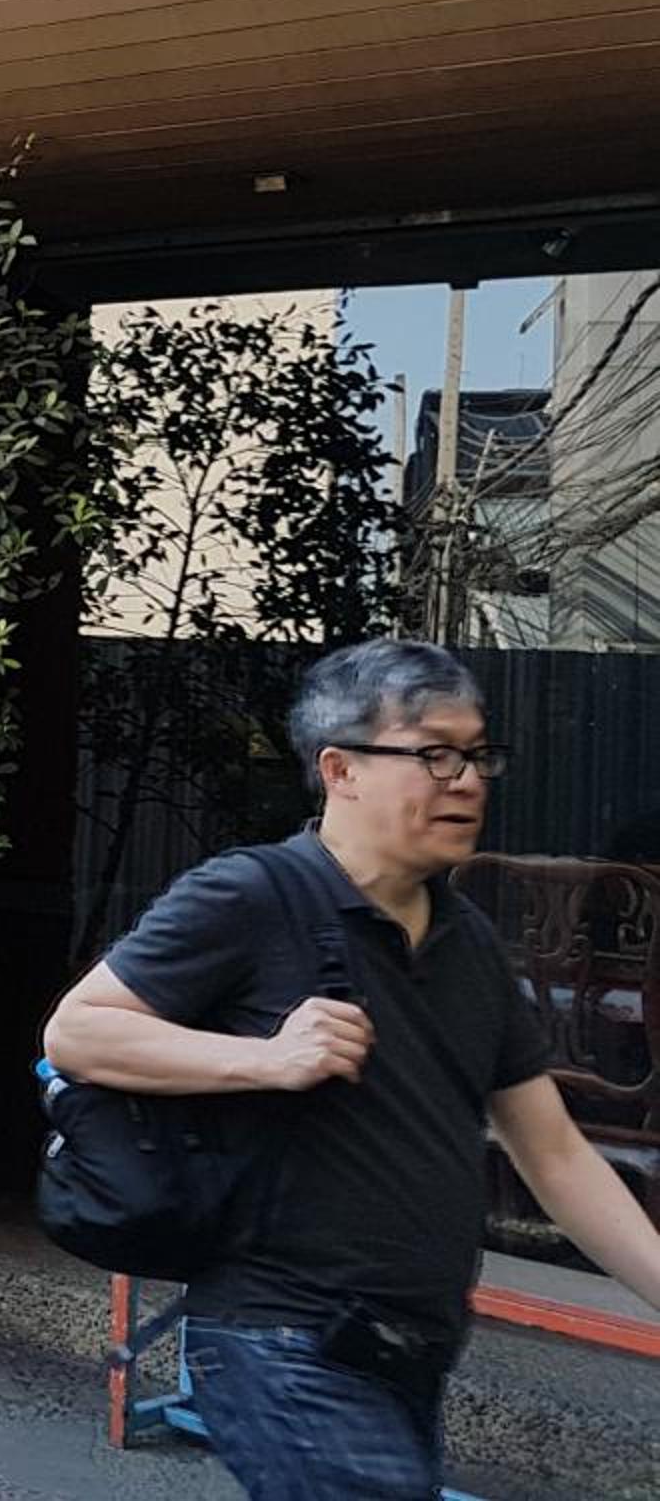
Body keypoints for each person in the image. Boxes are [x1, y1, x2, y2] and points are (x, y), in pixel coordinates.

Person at [46, 640, 660, 1499]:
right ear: (340, 770)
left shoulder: (469, 944)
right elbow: (78, 1032)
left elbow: (554, 1155)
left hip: (410, 1350)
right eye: (434, 754)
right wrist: (266, 1058)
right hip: (277, 1337)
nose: (467, 780)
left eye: (478, 754)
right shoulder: (254, 894)